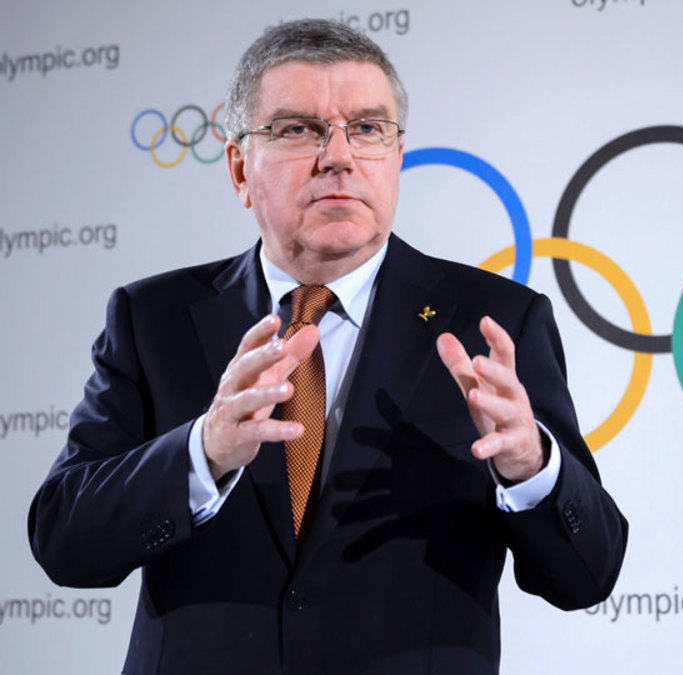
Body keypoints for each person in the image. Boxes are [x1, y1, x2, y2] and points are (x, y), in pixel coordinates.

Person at [28, 18, 627, 675]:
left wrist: (532, 466)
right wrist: (203, 452)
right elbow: (65, 542)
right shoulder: (152, 319)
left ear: (396, 157)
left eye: (367, 128)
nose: (338, 156)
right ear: (239, 168)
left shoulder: (497, 321)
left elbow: (587, 574)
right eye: (298, 129)